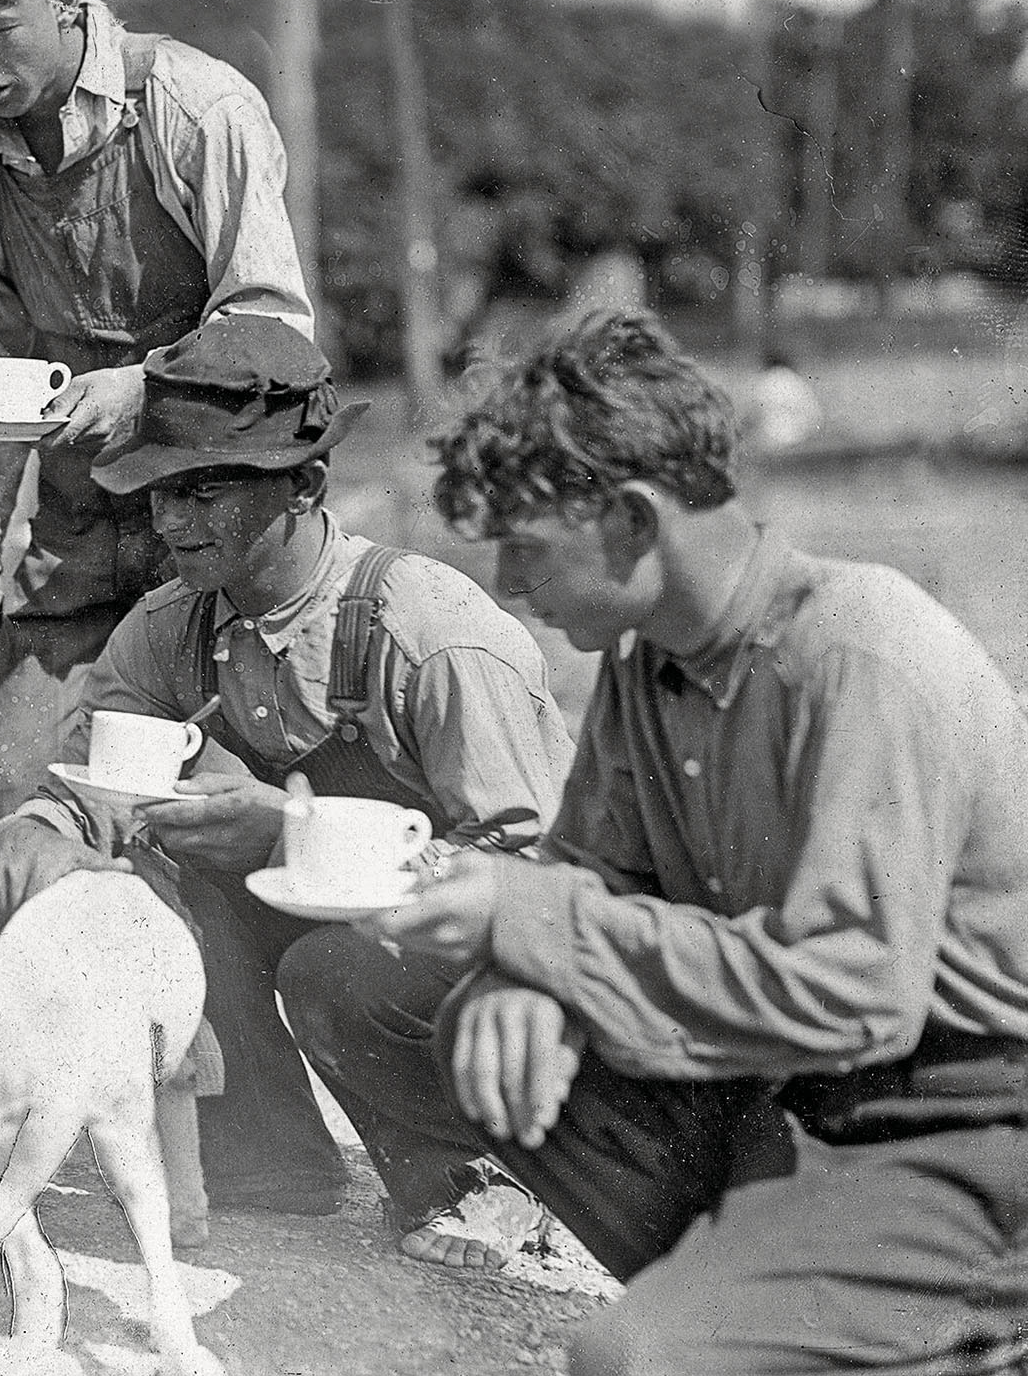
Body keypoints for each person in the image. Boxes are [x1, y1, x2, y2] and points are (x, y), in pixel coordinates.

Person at [330, 307, 1028, 1372]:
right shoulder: (647, 662)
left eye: (526, 544)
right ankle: (767, 1303)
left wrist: (534, 925)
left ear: (633, 519)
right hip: (796, 1095)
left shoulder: (858, 657)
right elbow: (583, 873)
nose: (509, 582)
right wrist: (523, 972)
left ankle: (927, 1329)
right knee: (443, 1000)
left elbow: (855, 992)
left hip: (966, 1132)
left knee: (629, 1358)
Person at [0, 315, 573, 1243]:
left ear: (306, 486)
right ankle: (264, 1160)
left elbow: (540, 874)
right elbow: (87, 785)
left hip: (510, 950)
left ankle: (477, 1183)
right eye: (159, 490)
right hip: (379, 928)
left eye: (206, 490)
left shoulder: (431, 631)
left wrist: (295, 835)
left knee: (333, 971)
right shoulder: (169, 628)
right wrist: (35, 838)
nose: (172, 521)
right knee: (148, 889)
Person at [0, 0, 316, 836]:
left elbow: (272, 328)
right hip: (77, 529)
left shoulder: (198, 106)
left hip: (222, 511)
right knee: (20, 810)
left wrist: (143, 388)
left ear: (69, 2)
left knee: (205, 825)